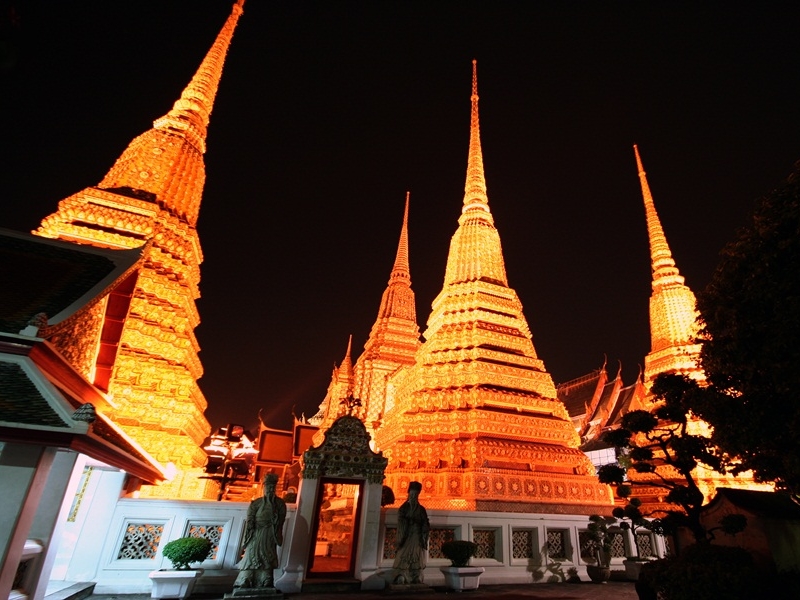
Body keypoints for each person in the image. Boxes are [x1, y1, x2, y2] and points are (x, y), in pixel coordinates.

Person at [234, 473, 287, 589]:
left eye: (273, 487)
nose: (270, 490)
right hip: (256, 532)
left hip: (270, 532)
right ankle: (245, 578)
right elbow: (250, 518)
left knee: (268, 556)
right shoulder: (256, 503)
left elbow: (281, 519)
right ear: (264, 488)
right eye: (268, 487)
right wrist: (251, 528)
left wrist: (275, 520)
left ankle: (266, 579)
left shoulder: (280, 503)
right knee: (250, 554)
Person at [392, 481, 430, 584]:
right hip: (406, 536)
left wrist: (423, 527)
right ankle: (402, 575)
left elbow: (425, 522)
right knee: (404, 554)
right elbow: (401, 519)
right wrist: (408, 522)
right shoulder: (404, 508)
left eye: (415, 495)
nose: (413, 497)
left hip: (417, 536)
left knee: (416, 556)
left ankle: (415, 575)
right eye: (411, 494)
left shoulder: (421, 509)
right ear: (408, 494)